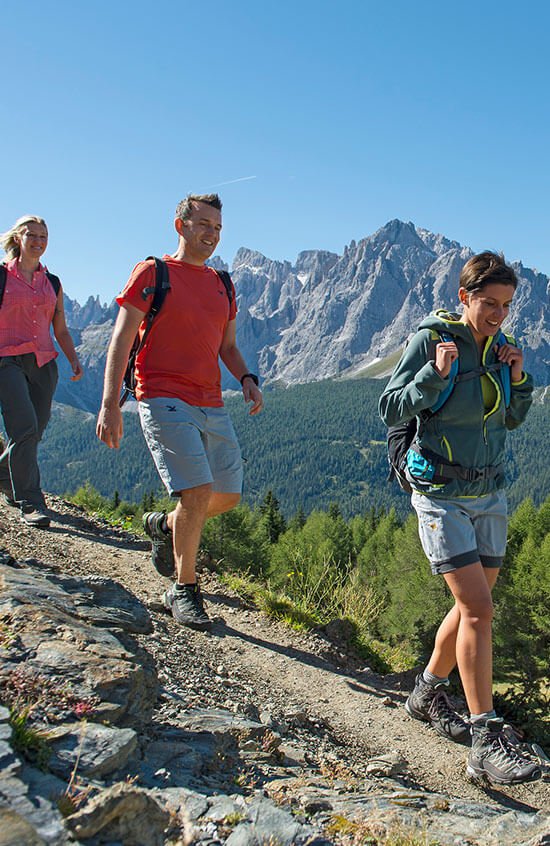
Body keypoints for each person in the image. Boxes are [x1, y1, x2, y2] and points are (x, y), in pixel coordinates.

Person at [379, 251, 541, 785]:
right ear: (464, 297)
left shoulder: (501, 346)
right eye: (488, 303)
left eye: (506, 305)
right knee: (478, 609)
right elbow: (390, 407)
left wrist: (518, 378)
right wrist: (435, 373)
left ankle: (427, 692)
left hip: (489, 491)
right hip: (441, 492)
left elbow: (513, 419)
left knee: (474, 606)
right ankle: (484, 738)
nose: (498, 314)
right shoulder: (432, 340)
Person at [96, 193, 263, 630]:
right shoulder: (153, 273)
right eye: (204, 224)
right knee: (197, 490)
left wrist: (247, 379)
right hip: (161, 395)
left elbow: (227, 346)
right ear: (181, 225)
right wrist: (111, 403)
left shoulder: (222, 284)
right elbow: (120, 338)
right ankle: (184, 588)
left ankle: (166, 525)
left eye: (218, 228)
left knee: (227, 494)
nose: (211, 234)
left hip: (210, 400)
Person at [0, 215, 83, 528]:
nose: (38, 241)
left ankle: (3, 476)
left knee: (36, 430)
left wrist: (73, 359)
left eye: (43, 236)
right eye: (32, 235)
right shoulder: (2, 276)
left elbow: (59, 327)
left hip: (44, 363)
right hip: (6, 360)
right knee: (23, 429)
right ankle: (31, 503)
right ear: (19, 238)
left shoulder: (53, 282)